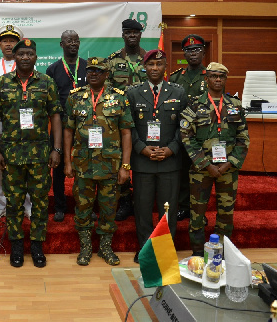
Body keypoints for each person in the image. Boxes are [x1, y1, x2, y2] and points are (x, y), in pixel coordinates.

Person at [0, 39, 62, 268]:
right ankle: (17, 246)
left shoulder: (47, 82)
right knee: (14, 202)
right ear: (15, 57)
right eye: (21, 54)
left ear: (36, 57)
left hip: (40, 154)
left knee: (39, 202)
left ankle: (37, 246)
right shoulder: (1, 83)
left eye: (30, 53)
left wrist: (56, 149)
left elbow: (56, 116)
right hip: (11, 155)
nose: (25, 57)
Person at [63, 57, 133, 266]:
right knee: (82, 207)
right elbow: (68, 130)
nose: (93, 74)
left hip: (110, 165)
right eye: (90, 70)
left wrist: (125, 166)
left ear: (106, 74)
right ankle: (85, 247)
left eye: (98, 71)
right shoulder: (75, 97)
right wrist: (67, 161)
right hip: (83, 164)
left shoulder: (119, 98)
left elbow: (126, 133)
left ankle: (105, 248)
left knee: (109, 208)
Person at [179, 62, 249, 256]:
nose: (218, 80)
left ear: (225, 80)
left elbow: (243, 139)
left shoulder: (235, 106)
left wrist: (229, 164)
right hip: (202, 171)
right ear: (206, 79)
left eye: (222, 77)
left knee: (226, 214)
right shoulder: (194, 105)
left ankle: (221, 253)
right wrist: (205, 164)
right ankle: (198, 254)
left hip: (228, 170)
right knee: (197, 215)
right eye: (214, 76)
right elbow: (186, 136)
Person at [126, 49, 187, 263]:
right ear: (144, 67)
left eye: (159, 64)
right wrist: (141, 147)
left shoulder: (178, 92)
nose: (154, 68)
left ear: (165, 67)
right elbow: (128, 126)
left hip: (170, 161)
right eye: (150, 64)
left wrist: (171, 149)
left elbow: (185, 126)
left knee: (167, 210)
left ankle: (163, 251)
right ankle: (145, 250)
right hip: (143, 161)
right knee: (142, 210)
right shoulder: (133, 93)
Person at [0, 25, 32, 222]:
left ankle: (26, 205)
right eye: (5, 40)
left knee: (27, 166)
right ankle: (0, 205)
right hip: (3, 124)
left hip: (26, 124)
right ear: (0, 44)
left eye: (12, 41)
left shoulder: (29, 66)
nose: (8, 44)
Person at [107, 18, 148, 222]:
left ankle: (141, 201)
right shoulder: (112, 61)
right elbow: (106, 91)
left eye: (135, 32)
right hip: (119, 122)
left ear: (140, 35)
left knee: (140, 161)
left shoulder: (150, 59)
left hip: (145, 122)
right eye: (128, 33)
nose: (132, 36)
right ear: (122, 35)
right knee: (119, 161)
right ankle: (124, 200)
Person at [46, 30, 88, 222]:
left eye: (76, 40)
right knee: (59, 167)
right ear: (61, 44)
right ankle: (60, 207)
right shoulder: (53, 70)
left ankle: (85, 205)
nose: (73, 43)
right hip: (61, 126)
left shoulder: (88, 68)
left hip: (85, 125)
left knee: (84, 166)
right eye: (69, 41)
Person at [169, 34, 208, 222]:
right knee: (183, 173)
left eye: (197, 50)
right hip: (181, 134)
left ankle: (199, 212)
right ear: (184, 53)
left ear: (203, 52)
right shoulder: (175, 77)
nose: (193, 53)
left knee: (202, 174)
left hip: (203, 135)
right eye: (189, 50)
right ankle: (184, 207)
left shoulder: (210, 76)